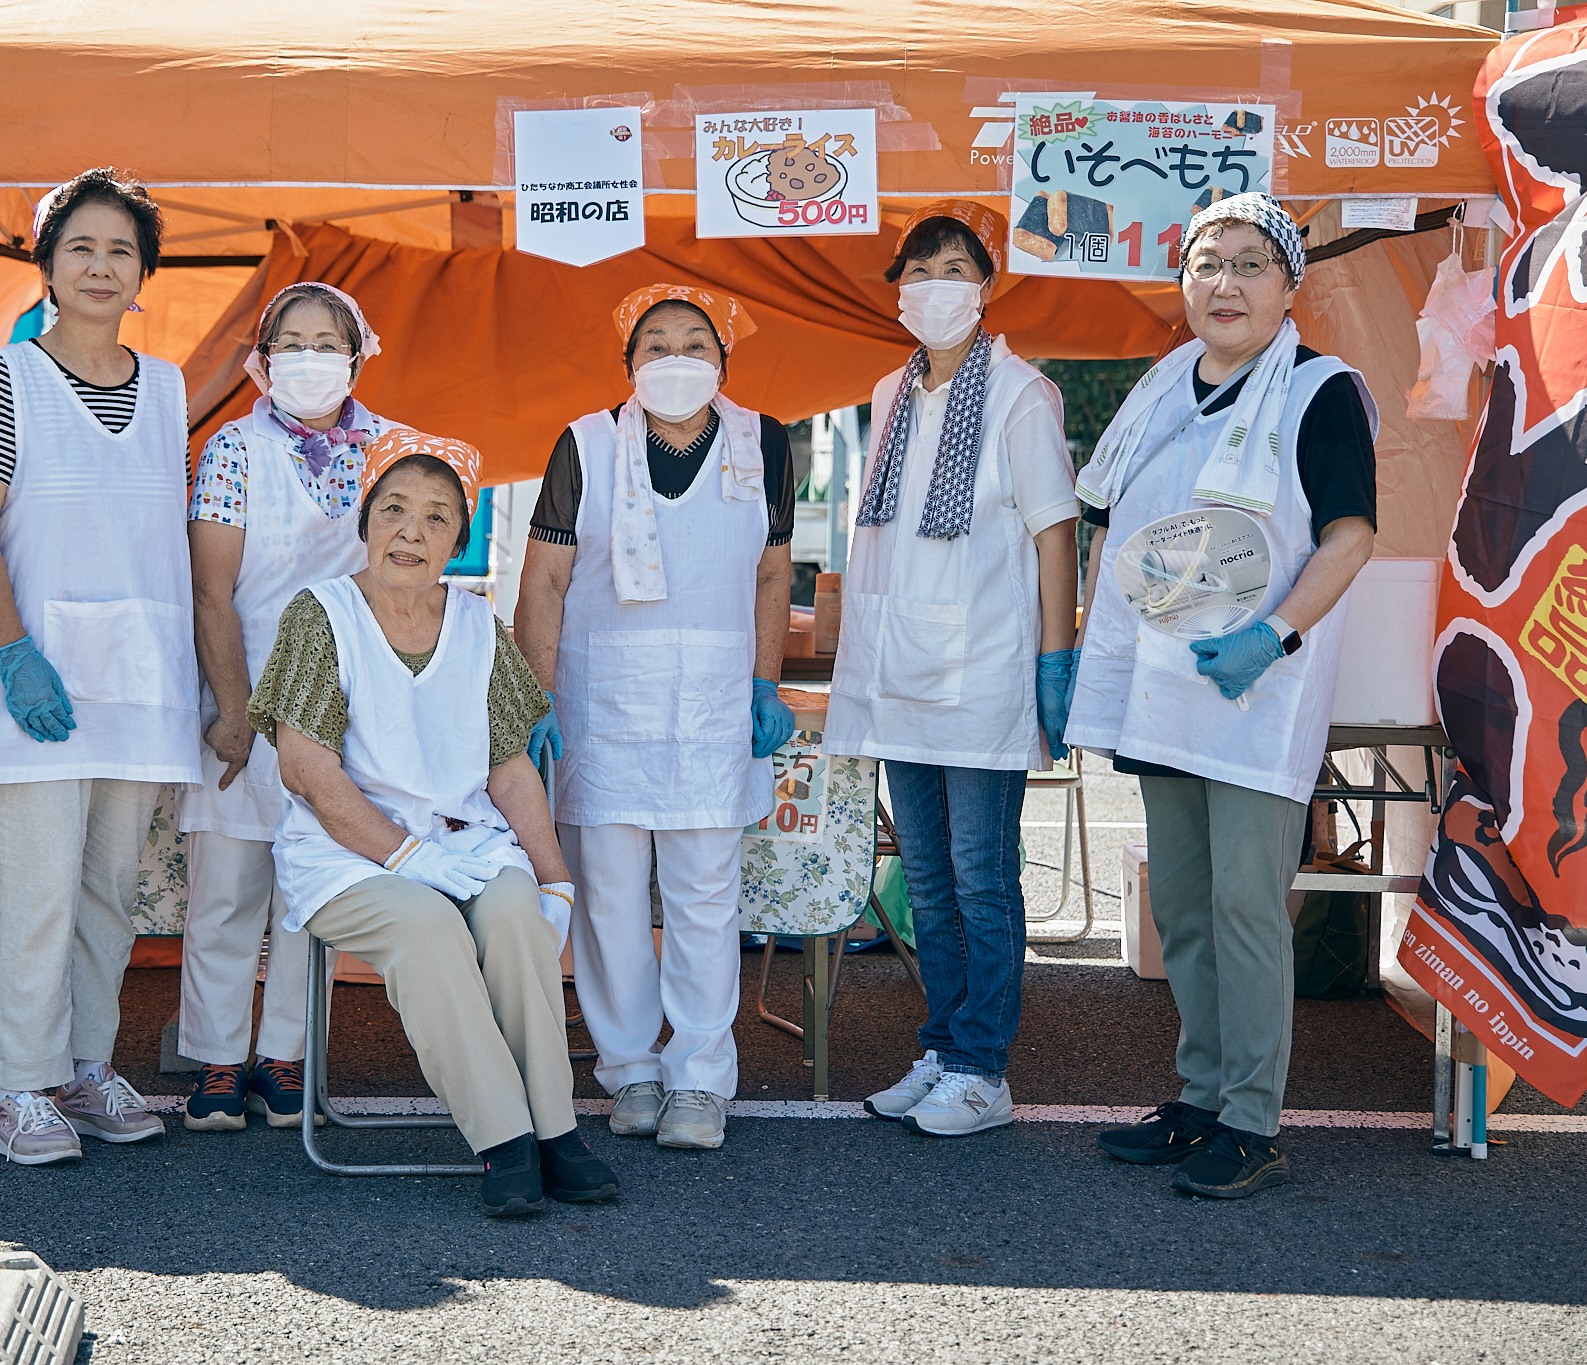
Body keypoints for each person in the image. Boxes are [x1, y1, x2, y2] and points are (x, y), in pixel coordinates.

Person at [1069, 192, 1377, 1199]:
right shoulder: (1159, 391)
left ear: (1289, 285)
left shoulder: (1318, 390)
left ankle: (1251, 1118)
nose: (1224, 282)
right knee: (1186, 909)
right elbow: (1117, 532)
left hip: (1254, 687)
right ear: (1182, 284)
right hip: (1161, 690)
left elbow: (1347, 538)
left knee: (1245, 907)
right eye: (1206, 262)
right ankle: (1198, 1097)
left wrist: (1271, 633)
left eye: (1249, 263)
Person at [252, 427, 619, 1216]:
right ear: (366, 522)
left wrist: (554, 876)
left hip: (466, 842)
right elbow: (307, 770)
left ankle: (557, 1132)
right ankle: (507, 1141)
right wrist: (407, 854)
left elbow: (510, 766)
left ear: (459, 536)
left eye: (436, 517)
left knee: (520, 917)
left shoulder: (478, 623)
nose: (411, 532)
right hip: (346, 857)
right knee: (427, 926)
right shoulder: (321, 615)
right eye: (393, 510)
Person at [0, 168, 201, 1166]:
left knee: (109, 889)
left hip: (136, 682)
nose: (101, 267)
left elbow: (149, 538)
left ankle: (88, 1069)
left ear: (143, 274)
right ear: (47, 266)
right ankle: (18, 1088)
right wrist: (14, 654)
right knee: (41, 886)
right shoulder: (3, 376)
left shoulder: (171, 386)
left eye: (120, 252)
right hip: (37, 678)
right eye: (81, 248)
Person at [513, 284, 794, 1152]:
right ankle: (629, 1067)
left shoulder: (764, 441)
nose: (676, 358)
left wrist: (766, 683)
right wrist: (537, 695)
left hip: (715, 703)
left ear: (724, 357)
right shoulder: (585, 444)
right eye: (655, 344)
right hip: (603, 703)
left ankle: (702, 1076)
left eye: (695, 342)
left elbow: (774, 575)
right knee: (608, 897)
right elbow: (545, 583)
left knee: (707, 895)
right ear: (628, 363)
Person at [827, 202, 1079, 1138]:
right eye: (919, 268)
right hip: (899, 669)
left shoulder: (1021, 393)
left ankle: (984, 1064)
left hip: (980, 668)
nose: (934, 285)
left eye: (953, 268)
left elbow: (1056, 532)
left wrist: (1057, 655)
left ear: (987, 286)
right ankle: (940, 1043)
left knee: (981, 873)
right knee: (925, 876)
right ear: (899, 288)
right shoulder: (892, 394)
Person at [177, 282, 397, 1132]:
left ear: (357, 353)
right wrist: (234, 708)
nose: (311, 358)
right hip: (243, 692)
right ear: (263, 362)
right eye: (292, 343)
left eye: (328, 341)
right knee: (226, 890)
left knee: (314, 892)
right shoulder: (232, 448)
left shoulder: (387, 449)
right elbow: (212, 591)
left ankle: (285, 1055)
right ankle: (218, 1061)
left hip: (344, 709)